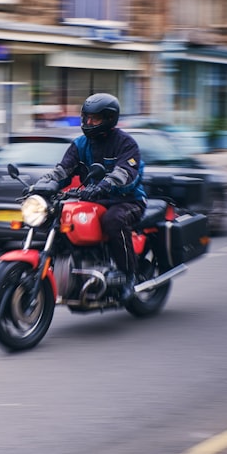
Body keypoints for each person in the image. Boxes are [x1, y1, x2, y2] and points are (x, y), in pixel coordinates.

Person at [35, 93, 146, 300]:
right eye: (86, 117)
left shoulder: (126, 143)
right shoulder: (80, 144)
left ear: (109, 119)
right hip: (94, 200)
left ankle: (129, 275)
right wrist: (41, 185)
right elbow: (63, 170)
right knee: (57, 216)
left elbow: (125, 173)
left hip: (128, 200)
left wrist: (105, 185)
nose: (88, 122)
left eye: (94, 118)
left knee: (113, 220)